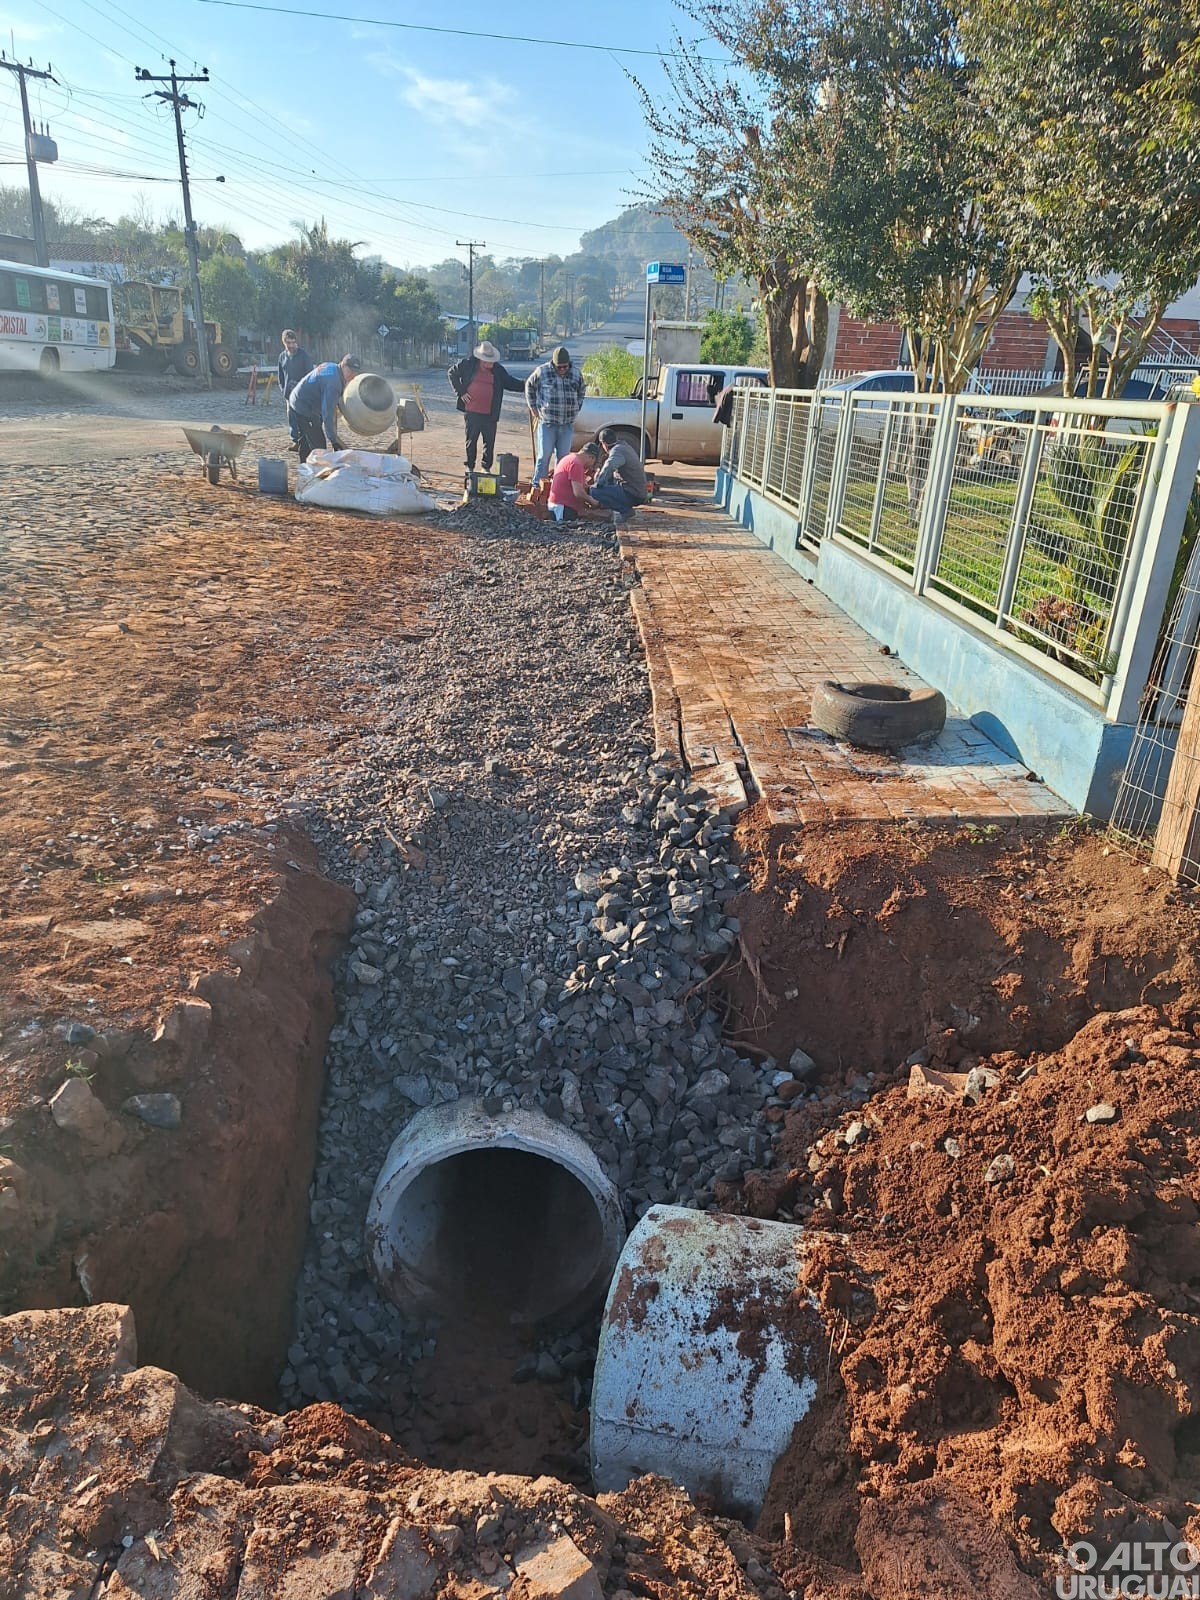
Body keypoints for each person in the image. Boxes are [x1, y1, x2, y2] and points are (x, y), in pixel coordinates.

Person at [448, 340, 526, 473]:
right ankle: (470, 466)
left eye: (491, 361)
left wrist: (527, 385)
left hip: (490, 413)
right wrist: (461, 392)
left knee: (489, 442)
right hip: (472, 411)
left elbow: (510, 382)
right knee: (471, 441)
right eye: (487, 361)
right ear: (480, 358)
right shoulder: (467, 364)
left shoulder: (498, 370)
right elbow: (452, 373)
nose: (489, 363)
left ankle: (486, 467)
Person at [525, 345, 587, 490]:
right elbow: (529, 386)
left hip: (566, 424)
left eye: (565, 367)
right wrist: (533, 407)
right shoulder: (542, 372)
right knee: (544, 456)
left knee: (563, 458)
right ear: (553, 364)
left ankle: (559, 486)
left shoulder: (576, 374)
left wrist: (577, 407)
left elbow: (582, 391)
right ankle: (537, 485)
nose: (562, 370)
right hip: (548, 423)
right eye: (559, 367)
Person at [287, 354, 364, 463]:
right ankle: (316, 473)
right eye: (350, 371)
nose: (352, 375)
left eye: (355, 372)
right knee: (319, 445)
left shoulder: (332, 367)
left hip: (298, 399)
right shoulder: (334, 383)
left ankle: (304, 467)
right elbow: (327, 413)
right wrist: (333, 440)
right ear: (342, 365)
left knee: (305, 437)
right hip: (303, 406)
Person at [590, 426, 649, 525]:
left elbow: (609, 467)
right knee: (608, 482)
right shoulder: (624, 446)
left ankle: (625, 510)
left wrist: (597, 483)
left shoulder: (617, 451)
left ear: (604, 444)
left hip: (633, 493)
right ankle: (616, 507)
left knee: (594, 491)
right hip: (638, 490)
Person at [547, 440, 608, 522]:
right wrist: (592, 501)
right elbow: (578, 493)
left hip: (558, 505)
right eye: (593, 463)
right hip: (562, 508)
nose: (591, 467)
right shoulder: (576, 464)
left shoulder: (569, 458)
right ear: (591, 457)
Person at [277, 329, 313, 451]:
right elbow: (280, 375)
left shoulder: (304, 356)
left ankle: (306, 441)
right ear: (284, 342)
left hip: (302, 394)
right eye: (288, 343)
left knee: (302, 418)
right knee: (291, 417)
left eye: (293, 342)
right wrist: (283, 389)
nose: (291, 345)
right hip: (289, 394)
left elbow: (310, 375)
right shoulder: (282, 357)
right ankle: (296, 441)